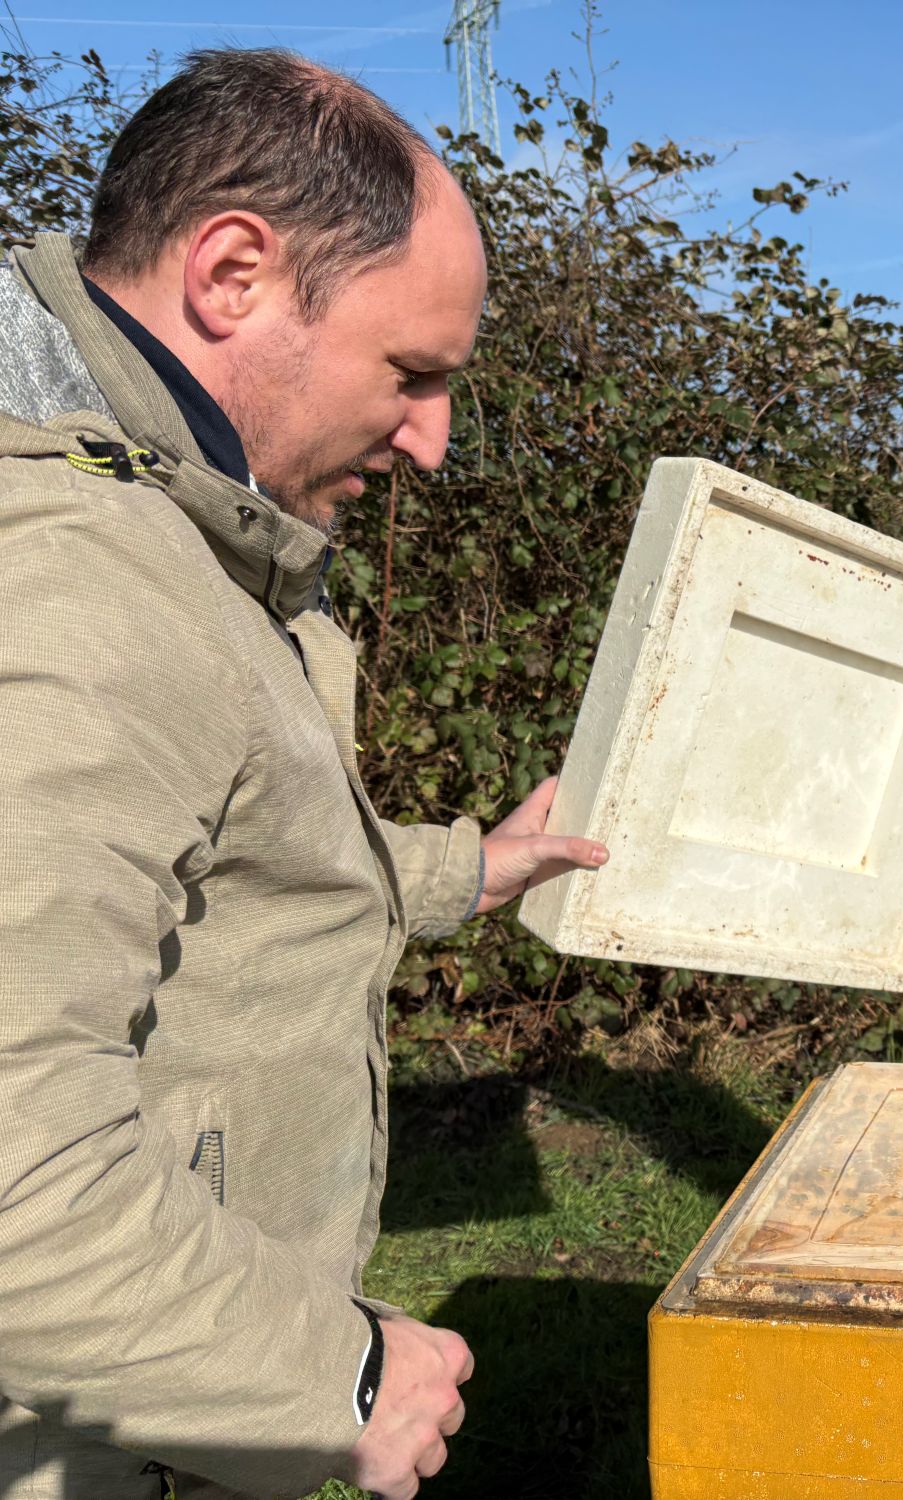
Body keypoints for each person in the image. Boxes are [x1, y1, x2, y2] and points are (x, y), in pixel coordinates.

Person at [0, 50, 608, 1500]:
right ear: (234, 275)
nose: (433, 442)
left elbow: (214, 857)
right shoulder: (77, 576)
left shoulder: (165, 514)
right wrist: (331, 1374)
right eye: (413, 374)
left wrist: (466, 868)